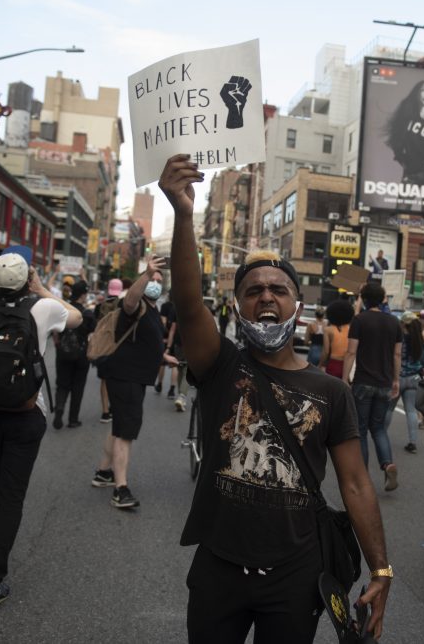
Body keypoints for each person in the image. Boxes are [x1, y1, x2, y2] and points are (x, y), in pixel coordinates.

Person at [158, 154, 392, 643]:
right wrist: (183, 215)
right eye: (254, 290)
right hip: (219, 567)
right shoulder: (220, 365)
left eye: (279, 289)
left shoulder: (331, 392)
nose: (266, 296)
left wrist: (381, 570)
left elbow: (355, 483)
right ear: (237, 306)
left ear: (297, 307)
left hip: (296, 575)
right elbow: (188, 301)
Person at [0, 253, 81, 608]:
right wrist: (42, 288)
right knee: (11, 493)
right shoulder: (43, 309)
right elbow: (76, 317)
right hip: (27, 412)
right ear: (26, 279)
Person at [91, 256, 168, 509]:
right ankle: (120, 488)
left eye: (159, 280)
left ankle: (103, 472)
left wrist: (164, 357)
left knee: (119, 426)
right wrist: (146, 274)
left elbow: (145, 342)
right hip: (126, 377)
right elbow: (130, 300)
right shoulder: (136, 305)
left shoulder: (153, 310)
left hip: (131, 376)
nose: (155, 283)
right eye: (152, 279)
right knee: (126, 432)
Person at [344, 282, 403, 491]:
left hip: (363, 381)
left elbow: (351, 351)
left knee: (360, 429)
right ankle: (387, 464)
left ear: (365, 299)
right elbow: (397, 354)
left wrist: (344, 378)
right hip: (384, 383)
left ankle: (363, 477)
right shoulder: (394, 322)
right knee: (378, 428)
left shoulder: (359, 320)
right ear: (382, 299)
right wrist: (395, 380)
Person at [52, 280, 96, 430]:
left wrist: (58, 345)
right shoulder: (87, 313)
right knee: (78, 387)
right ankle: (73, 419)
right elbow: (92, 335)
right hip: (81, 355)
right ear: (83, 295)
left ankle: (59, 408)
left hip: (63, 353)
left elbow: (55, 332)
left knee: (62, 384)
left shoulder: (62, 310)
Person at [395, 312, 424, 453]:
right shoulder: (419, 339)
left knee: (389, 409)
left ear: (403, 324)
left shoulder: (398, 338)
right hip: (414, 378)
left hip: (397, 378)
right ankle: (413, 442)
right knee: (411, 411)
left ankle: (380, 435)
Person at [95, 278, 125, 423]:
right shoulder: (123, 306)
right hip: (118, 347)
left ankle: (105, 412)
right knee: (118, 380)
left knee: (104, 381)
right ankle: (114, 407)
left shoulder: (99, 306)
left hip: (103, 348)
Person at [319, 298, 353, 378]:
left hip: (333, 363)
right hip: (347, 364)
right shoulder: (351, 329)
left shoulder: (328, 330)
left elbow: (326, 351)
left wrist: (320, 364)